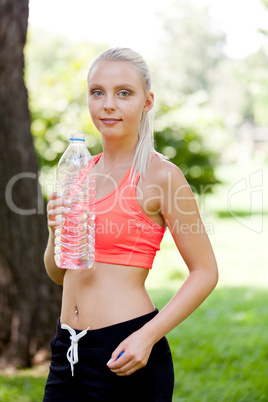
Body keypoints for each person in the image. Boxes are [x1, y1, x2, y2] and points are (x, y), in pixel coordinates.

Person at [43, 47, 218, 402]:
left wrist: (147, 336)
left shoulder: (160, 176)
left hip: (124, 348)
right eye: (98, 92)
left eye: (124, 92)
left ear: (147, 101)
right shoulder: (79, 171)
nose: (108, 104)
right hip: (67, 351)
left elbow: (205, 272)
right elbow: (59, 274)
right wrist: (54, 233)